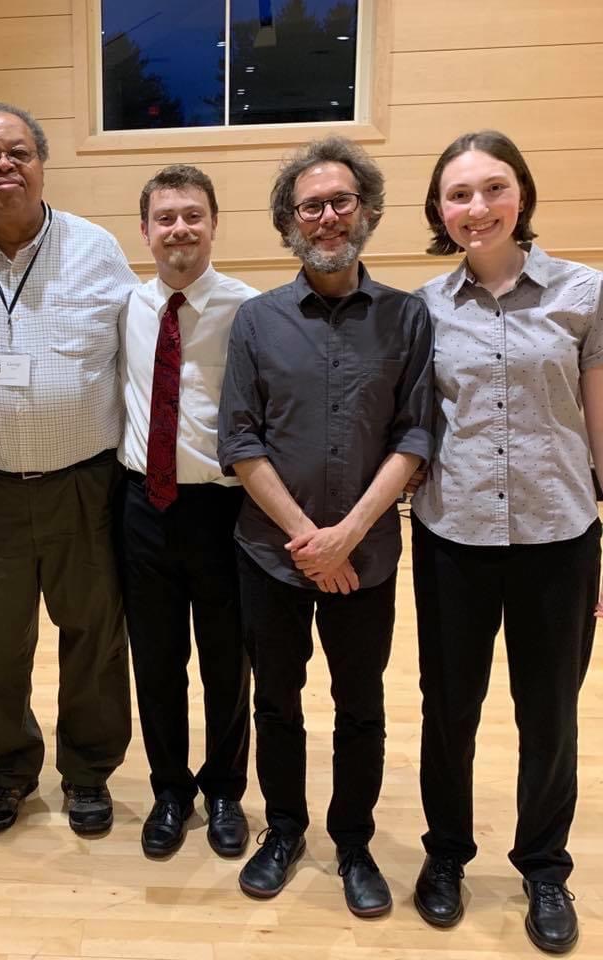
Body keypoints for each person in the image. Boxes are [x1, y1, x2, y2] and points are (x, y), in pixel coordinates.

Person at [218, 137, 434, 915]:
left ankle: (353, 843)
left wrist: (347, 536)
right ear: (288, 222)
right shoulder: (256, 320)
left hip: (366, 556)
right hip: (269, 554)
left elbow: (416, 435)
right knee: (275, 699)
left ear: (367, 211)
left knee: (360, 705)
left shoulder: (408, 318)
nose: (328, 216)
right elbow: (239, 441)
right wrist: (312, 539)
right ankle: (283, 829)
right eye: (311, 205)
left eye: (341, 201)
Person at [410, 130, 602, 955]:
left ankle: (544, 868)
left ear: (520, 193)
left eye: (493, 188)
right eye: (459, 194)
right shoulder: (423, 307)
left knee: (549, 714)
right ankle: (447, 854)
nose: (477, 207)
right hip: (454, 536)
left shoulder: (584, 294)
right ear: (439, 210)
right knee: (448, 710)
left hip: (559, 535)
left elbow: (600, 424)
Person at [0, 101, 134, 837]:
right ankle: (9, 770)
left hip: (85, 483)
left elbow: (138, 351)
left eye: (18, 152)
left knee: (93, 637)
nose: (4, 166)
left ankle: (88, 772)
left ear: (43, 163)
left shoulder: (97, 250)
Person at [118, 164, 255, 859]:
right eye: (165, 217)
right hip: (144, 505)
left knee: (228, 663)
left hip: (225, 510)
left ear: (213, 223)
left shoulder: (251, 310)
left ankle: (227, 788)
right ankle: (170, 789)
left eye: (192, 215)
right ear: (144, 231)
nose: (179, 229)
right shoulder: (125, 307)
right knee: (157, 660)